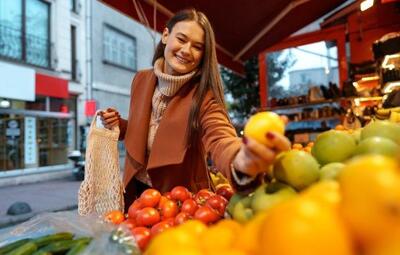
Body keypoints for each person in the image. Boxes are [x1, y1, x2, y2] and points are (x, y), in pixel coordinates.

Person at [99, 9, 291, 210]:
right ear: (165, 36)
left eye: (197, 47)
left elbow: (220, 138)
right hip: (136, 191)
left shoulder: (204, 96)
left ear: (203, 55)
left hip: (181, 201)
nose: (186, 50)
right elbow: (145, 132)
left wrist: (240, 159)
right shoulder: (140, 79)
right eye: (181, 39)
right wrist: (119, 125)